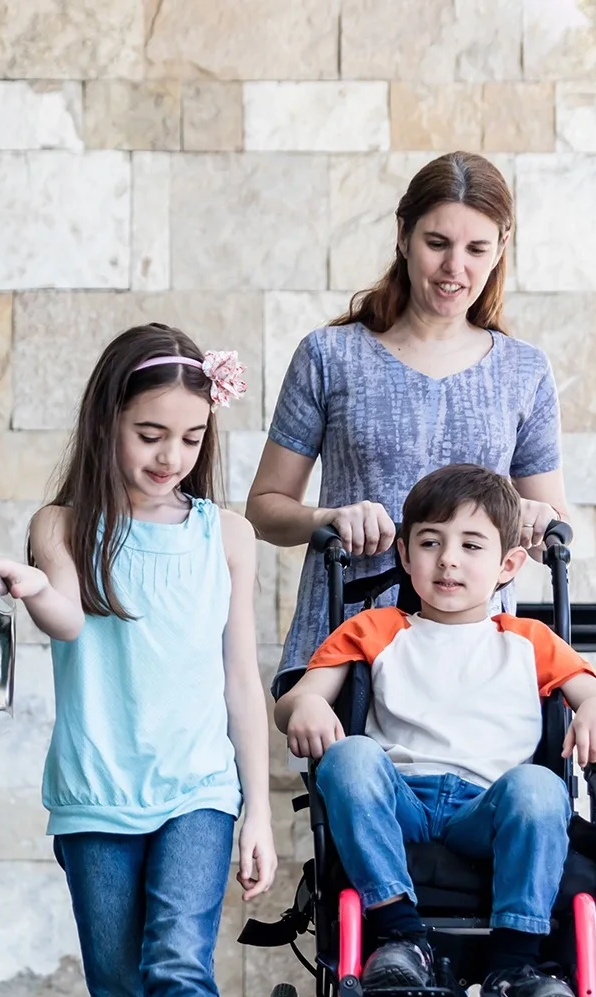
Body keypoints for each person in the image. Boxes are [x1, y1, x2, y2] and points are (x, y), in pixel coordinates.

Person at [0, 324, 276, 997]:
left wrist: (257, 810)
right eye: (150, 433)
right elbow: (68, 615)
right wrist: (31, 592)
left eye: (191, 439)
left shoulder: (225, 535)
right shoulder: (63, 527)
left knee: (178, 970)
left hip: (198, 790)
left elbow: (243, 677)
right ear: (106, 421)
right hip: (97, 801)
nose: (169, 457)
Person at [273, 466, 596, 997]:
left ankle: (513, 967)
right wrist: (306, 710)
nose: (448, 561)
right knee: (349, 761)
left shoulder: (531, 641)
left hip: (483, 808)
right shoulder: (377, 629)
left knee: (542, 788)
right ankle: (397, 930)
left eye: (471, 545)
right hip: (400, 805)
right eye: (430, 543)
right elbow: (304, 693)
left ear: (507, 564)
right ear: (404, 554)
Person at [245, 151, 573, 677]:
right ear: (403, 236)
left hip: (475, 658)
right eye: (437, 243)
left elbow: (548, 529)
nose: (454, 267)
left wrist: (539, 521)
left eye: (476, 248)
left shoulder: (524, 371)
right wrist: (328, 520)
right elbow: (264, 509)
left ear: (501, 249)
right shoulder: (330, 356)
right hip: (345, 645)